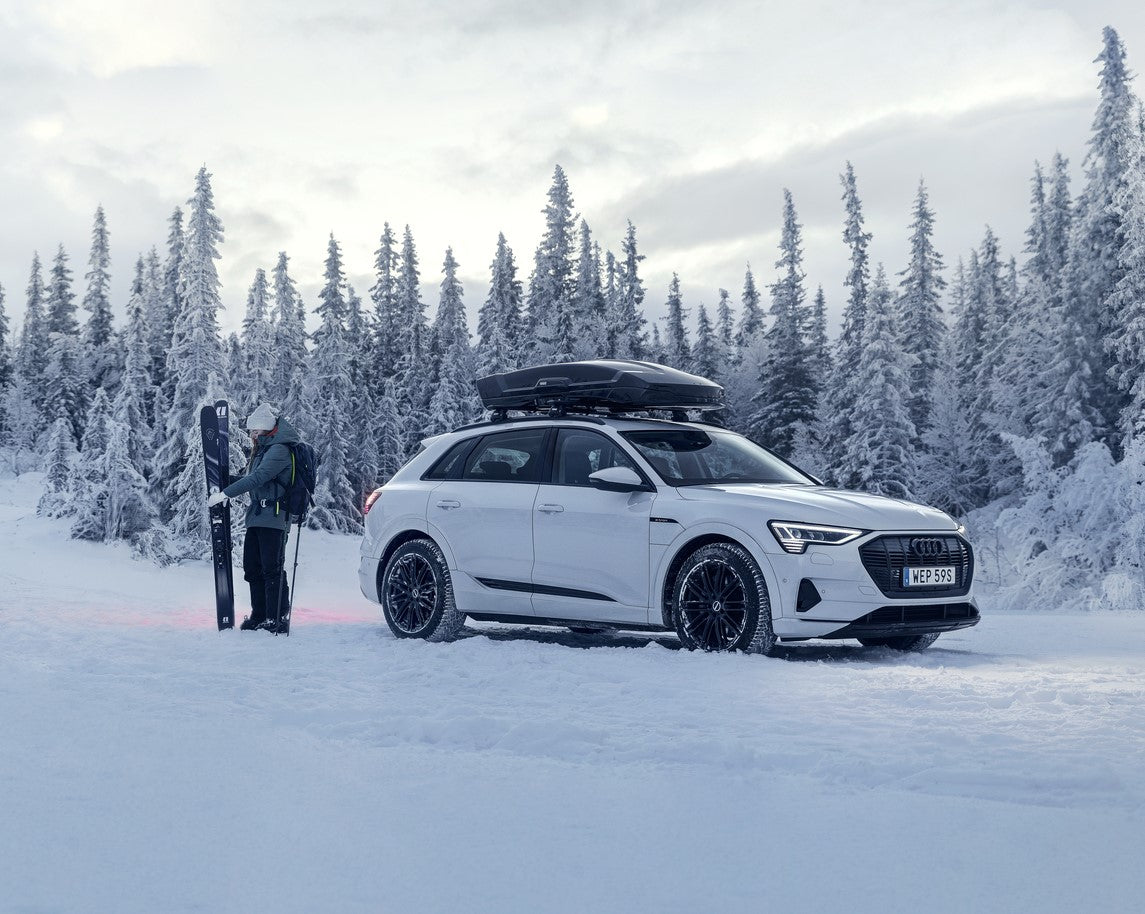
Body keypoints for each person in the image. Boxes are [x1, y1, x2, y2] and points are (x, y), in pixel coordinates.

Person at [206, 403, 301, 632]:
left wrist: (225, 494)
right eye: (251, 432)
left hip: (276, 517)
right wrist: (222, 481)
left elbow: (258, 478)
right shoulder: (264, 450)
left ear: (266, 429)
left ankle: (276, 618)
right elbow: (249, 478)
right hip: (258, 516)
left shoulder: (279, 450)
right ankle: (259, 615)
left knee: (272, 568)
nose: (252, 435)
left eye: (255, 431)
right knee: (253, 567)